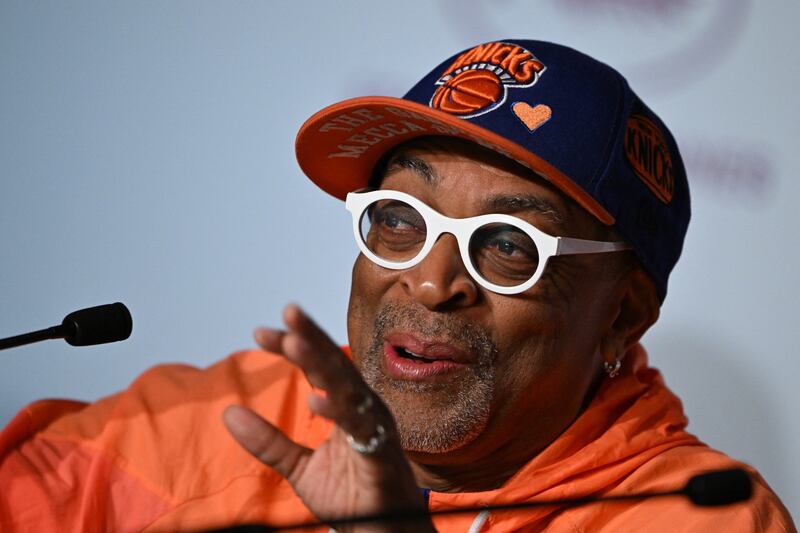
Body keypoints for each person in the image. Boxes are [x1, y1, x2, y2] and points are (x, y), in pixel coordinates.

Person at [0, 39, 794, 532]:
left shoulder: (696, 514)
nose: (430, 278)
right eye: (400, 217)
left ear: (622, 315)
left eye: (508, 244)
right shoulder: (219, 422)